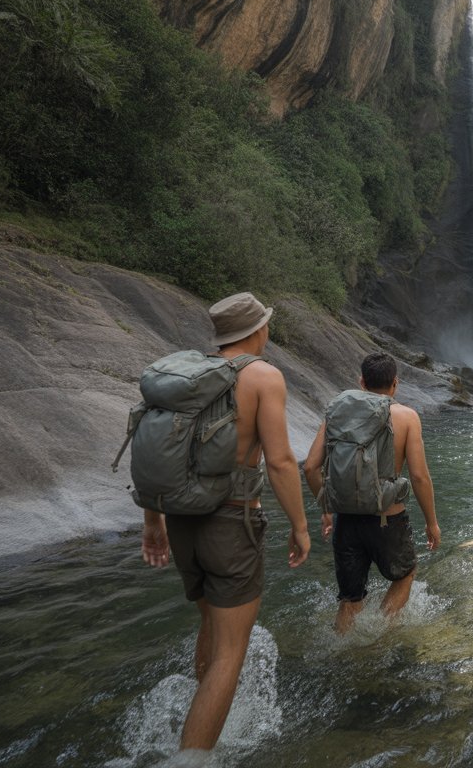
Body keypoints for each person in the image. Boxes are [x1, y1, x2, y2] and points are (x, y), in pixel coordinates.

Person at [140, 292, 311, 751]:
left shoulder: (187, 376)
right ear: (257, 331)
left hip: (179, 520)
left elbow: (154, 455)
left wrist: (152, 520)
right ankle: (191, 759)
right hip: (231, 522)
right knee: (231, 655)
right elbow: (279, 462)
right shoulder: (262, 376)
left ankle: (204, 720)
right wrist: (300, 525)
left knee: (212, 629)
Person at [303, 353, 441, 632]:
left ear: (362, 382)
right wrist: (431, 522)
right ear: (395, 384)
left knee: (350, 598)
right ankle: (380, 639)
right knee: (405, 575)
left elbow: (310, 468)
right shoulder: (406, 417)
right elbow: (418, 476)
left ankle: (344, 651)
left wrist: (326, 509)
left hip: (346, 518)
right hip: (387, 518)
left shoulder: (338, 411)